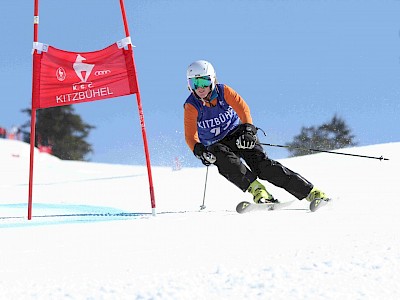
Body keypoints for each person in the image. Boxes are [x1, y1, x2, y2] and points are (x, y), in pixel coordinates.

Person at [183, 60, 329, 205]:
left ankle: (311, 192)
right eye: (194, 83)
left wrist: (248, 130)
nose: (200, 88)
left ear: (212, 80)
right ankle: (259, 192)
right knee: (225, 161)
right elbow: (190, 136)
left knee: (263, 167)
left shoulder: (224, 91)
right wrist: (200, 151)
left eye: (203, 81)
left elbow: (243, 109)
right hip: (215, 144)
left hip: (237, 134)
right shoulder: (191, 106)